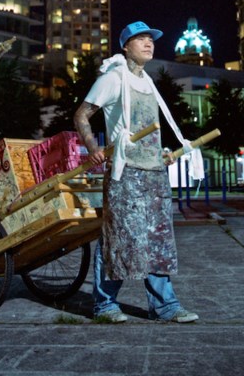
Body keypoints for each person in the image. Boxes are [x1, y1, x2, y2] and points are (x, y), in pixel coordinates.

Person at [74, 21, 200, 324]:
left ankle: (165, 306)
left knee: (158, 241)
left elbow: (150, 132)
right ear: (125, 46)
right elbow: (81, 115)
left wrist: (162, 153)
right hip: (125, 173)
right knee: (117, 237)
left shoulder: (148, 82)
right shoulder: (113, 78)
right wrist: (93, 147)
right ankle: (104, 305)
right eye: (140, 39)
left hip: (154, 173)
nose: (148, 43)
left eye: (151, 39)